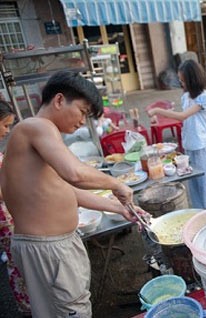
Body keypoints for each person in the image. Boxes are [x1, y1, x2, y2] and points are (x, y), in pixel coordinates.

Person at [0, 71, 143, 317]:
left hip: (48, 246)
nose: (81, 121)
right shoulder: (36, 126)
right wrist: (115, 184)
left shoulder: (37, 135)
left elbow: (68, 190)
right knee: (72, 310)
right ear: (59, 100)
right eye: (82, 111)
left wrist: (118, 208)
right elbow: (74, 173)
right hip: (49, 248)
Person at [147, 60, 206, 209]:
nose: (182, 83)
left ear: (193, 80)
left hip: (201, 144)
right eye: (180, 80)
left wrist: (157, 110)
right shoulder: (186, 96)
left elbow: (183, 116)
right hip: (189, 144)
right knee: (193, 183)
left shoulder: (204, 97)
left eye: (183, 80)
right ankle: (200, 213)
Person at [0, 101, 31, 316]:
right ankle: (29, 307)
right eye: (4, 125)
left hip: (11, 211)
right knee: (17, 261)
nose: (7, 131)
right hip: (4, 218)